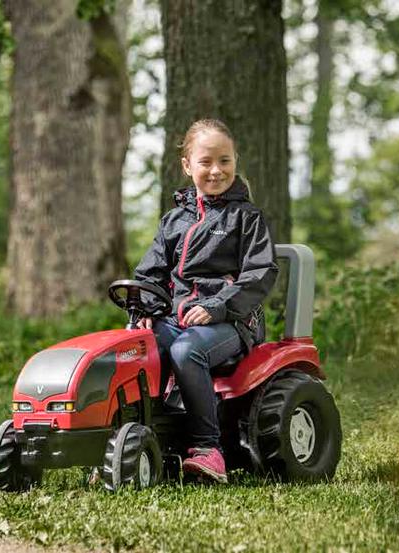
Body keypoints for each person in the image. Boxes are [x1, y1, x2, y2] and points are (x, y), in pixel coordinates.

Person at [134, 119, 278, 484]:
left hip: (232, 323)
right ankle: (136, 436)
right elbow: (149, 274)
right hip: (178, 318)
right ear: (188, 166)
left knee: (186, 352)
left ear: (235, 161)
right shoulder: (173, 221)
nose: (216, 170)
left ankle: (207, 448)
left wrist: (217, 306)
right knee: (133, 347)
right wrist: (144, 310)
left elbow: (258, 275)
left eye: (225, 161)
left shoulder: (246, 218)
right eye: (206, 162)